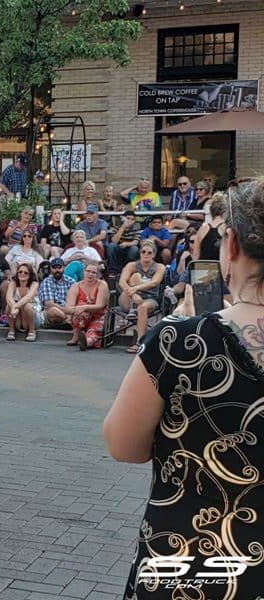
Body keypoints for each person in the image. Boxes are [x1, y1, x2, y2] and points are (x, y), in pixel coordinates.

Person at [103, 177, 264, 600]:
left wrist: (185, 328)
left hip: (186, 566)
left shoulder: (179, 341)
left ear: (230, 247)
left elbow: (123, 444)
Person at [118, 239, 166, 354]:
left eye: (149, 252)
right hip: (128, 299)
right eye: (143, 252)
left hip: (150, 298)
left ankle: (140, 342)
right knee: (136, 276)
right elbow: (122, 282)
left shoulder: (159, 267)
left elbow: (154, 283)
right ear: (140, 253)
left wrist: (136, 288)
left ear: (154, 254)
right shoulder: (132, 265)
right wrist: (134, 294)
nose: (146, 254)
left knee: (142, 307)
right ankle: (133, 308)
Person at [64, 261, 108, 350]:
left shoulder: (102, 284)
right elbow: (68, 308)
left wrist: (85, 307)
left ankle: (86, 342)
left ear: (98, 275)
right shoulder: (76, 286)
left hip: (98, 315)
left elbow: (100, 305)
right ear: (83, 272)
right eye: (88, 271)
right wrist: (80, 309)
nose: (90, 274)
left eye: (93, 272)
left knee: (94, 332)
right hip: (82, 315)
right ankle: (76, 336)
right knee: (78, 312)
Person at [5, 264, 41, 342]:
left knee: (27, 306)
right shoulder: (13, 284)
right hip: (17, 315)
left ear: (30, 275)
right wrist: (14, 307)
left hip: (32, 315)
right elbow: (8, 297)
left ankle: (32, 331)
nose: (22, 274)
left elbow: (28, 298)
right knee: (8, 306)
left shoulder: (34, 284)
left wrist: (15, 307)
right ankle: (11, 331)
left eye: (26, 272)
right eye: (20, 272)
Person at [38, 257, 75, 327]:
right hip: (52, 312)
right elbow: (49, 304)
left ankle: (64, 323)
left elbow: (75, 300)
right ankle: (67, 321)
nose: (57, 270)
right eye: (54, 268)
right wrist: (66, 312)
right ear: (51, 269)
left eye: (59, 267)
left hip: (69, 310)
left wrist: (70, 311)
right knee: (53, 311)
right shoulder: (47, 281)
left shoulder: (71, 281)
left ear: (64, 267)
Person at [192, 193, 225, 261]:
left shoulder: (202, 229)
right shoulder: (227, 228)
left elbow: (195, 257)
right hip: (220, 268)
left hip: (203, 269)